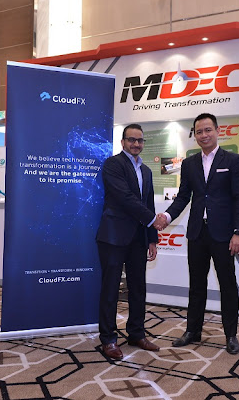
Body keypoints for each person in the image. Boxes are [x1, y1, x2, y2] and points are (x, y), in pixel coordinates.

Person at [156, 113, 239, 354]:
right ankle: (192, 331)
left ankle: (231, 335)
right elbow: (184, 197)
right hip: (197, 232)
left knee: (228, 284)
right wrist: (167, 217)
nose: (204, 135)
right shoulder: (189, 163)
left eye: (208, 130)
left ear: (217, 131)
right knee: (196, 285)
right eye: (199, 132)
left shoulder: (233, 160)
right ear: (194, 135)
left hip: (224, 234)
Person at [96, 124, 160, 360]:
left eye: (140, 140)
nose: (136, 144)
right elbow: (125, 197)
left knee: (138, 288)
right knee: (111, 289)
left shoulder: (147, 171)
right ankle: (108, 339)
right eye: (131, 140)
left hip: (138, 238)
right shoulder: (113, 164)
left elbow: (148, 203)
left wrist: (152, 238)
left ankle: (136, 333)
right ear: (123, 142)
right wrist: (153, 219)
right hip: (113, 237)